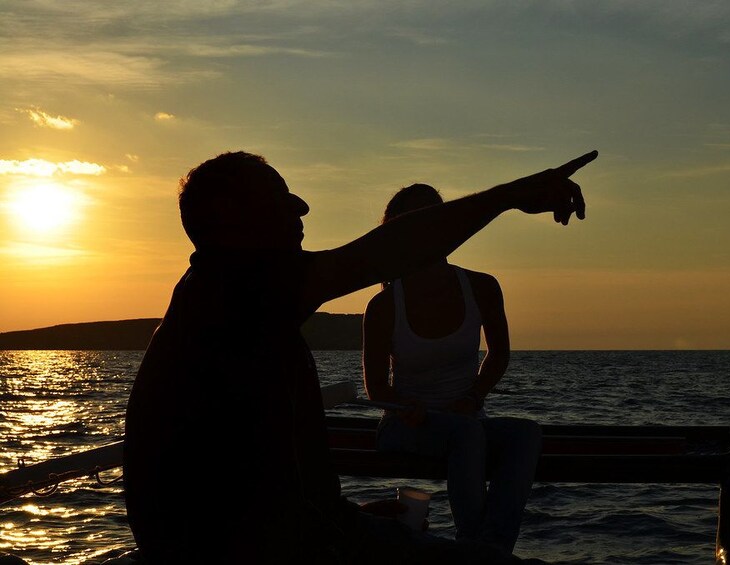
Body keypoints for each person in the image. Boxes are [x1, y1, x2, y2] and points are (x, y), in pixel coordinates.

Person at [122, 149, 597, 564]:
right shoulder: (237, 288)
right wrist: (511, 195)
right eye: (279, 195)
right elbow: (374, 258)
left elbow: (246, 481)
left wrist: (342, 515)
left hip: (281, 537)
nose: (301, 206)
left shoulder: (219, 297)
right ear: (231, 217)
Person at [362, 183, 541, 554]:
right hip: (404, 426)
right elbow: (377, 389)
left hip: (466, 420)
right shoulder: (383, 306)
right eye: (413, 221)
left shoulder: (482, 286)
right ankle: (474, 547)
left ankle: (491, 548)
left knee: (525, 433)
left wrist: (473, 396)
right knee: (467, 435)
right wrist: (405, 406)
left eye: (434, 217)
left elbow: (499, 354)